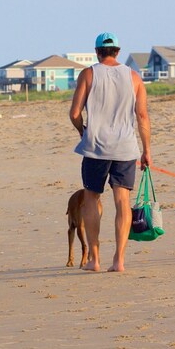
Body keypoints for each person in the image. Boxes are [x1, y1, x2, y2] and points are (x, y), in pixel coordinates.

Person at [69, 32, 151, 272]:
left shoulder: (89, 74)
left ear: (97, 52)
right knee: (122, 200)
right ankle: (119, 259)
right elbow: (143, 117)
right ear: (118, 51)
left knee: (91, 199)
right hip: (126, 147)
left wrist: (82, 131)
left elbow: (74, 113)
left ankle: (94, 259)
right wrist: (146, 150)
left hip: (96, 146)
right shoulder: (134, 77)